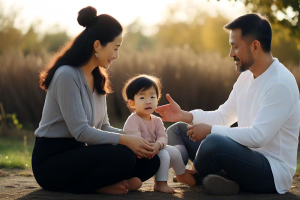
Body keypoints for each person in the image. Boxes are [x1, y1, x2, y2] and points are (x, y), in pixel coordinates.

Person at [156, 13, 300, 195]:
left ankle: (199, 178)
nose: (230, 53)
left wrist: (210, 131)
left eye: (234, 47)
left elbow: (258, 136)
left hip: (271, 172)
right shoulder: (246, 77)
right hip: (243, 156)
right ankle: (216, 178)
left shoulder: (280, 83)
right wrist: (184, 115)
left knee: (214, 142)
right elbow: (223, 116)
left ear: (255, 46)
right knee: (178, 131)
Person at [32, 6, 160, 194]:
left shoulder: (98, 77)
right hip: (52, 161)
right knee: (124, 155)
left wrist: (139, 140)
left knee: (151, 159)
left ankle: (108, 182)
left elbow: (104, 126)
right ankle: (98, 186)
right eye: (115, 48)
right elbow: (81, 132)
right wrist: (126, 140)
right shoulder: (66, 75)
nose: (116, 56)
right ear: (97, 45)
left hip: (80, 154)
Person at [122, 75, 196, 194]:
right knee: (164, 155)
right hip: (141, 155)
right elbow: (135, 140)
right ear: (132, 103)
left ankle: (181, 173)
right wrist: (151, 148)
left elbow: (163, 136)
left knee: (175, 151)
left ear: (157, 100)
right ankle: (160, 183)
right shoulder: (133, 120)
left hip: (154, 149)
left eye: (152, 97)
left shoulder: (157, 120)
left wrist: (157, 145)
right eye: (142, 97)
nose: (148, 101)